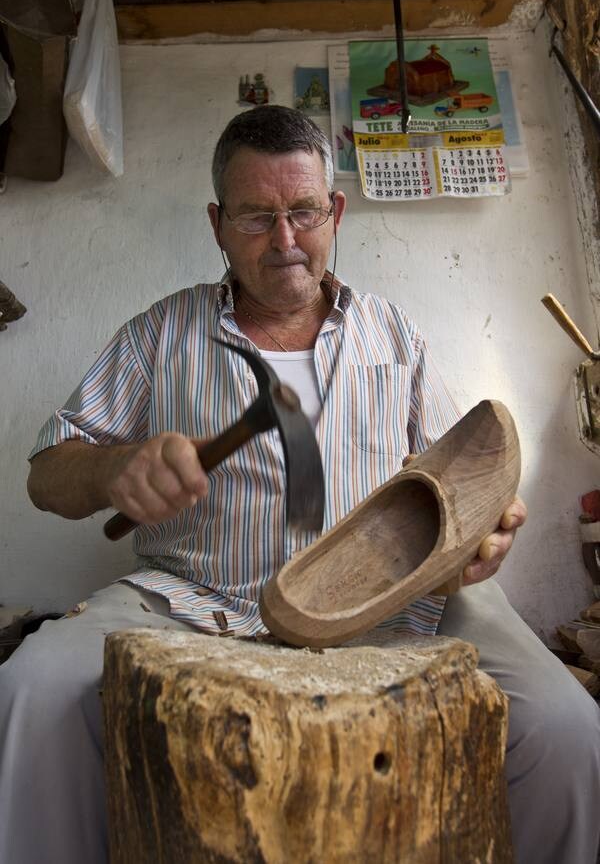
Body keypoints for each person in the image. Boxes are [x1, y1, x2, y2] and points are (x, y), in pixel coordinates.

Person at [0, 105, 598, 864]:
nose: (286, 241)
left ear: (335, 211)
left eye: (304, 212)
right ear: (217, 224)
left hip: (403, 600)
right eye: (257, 217)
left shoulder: (393, 335)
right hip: (198, 600)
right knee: (28, 694)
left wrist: (485, 531)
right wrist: (114, 469)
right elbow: (46, 475)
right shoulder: (160, 334)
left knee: (568, 728)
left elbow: (461, 481)